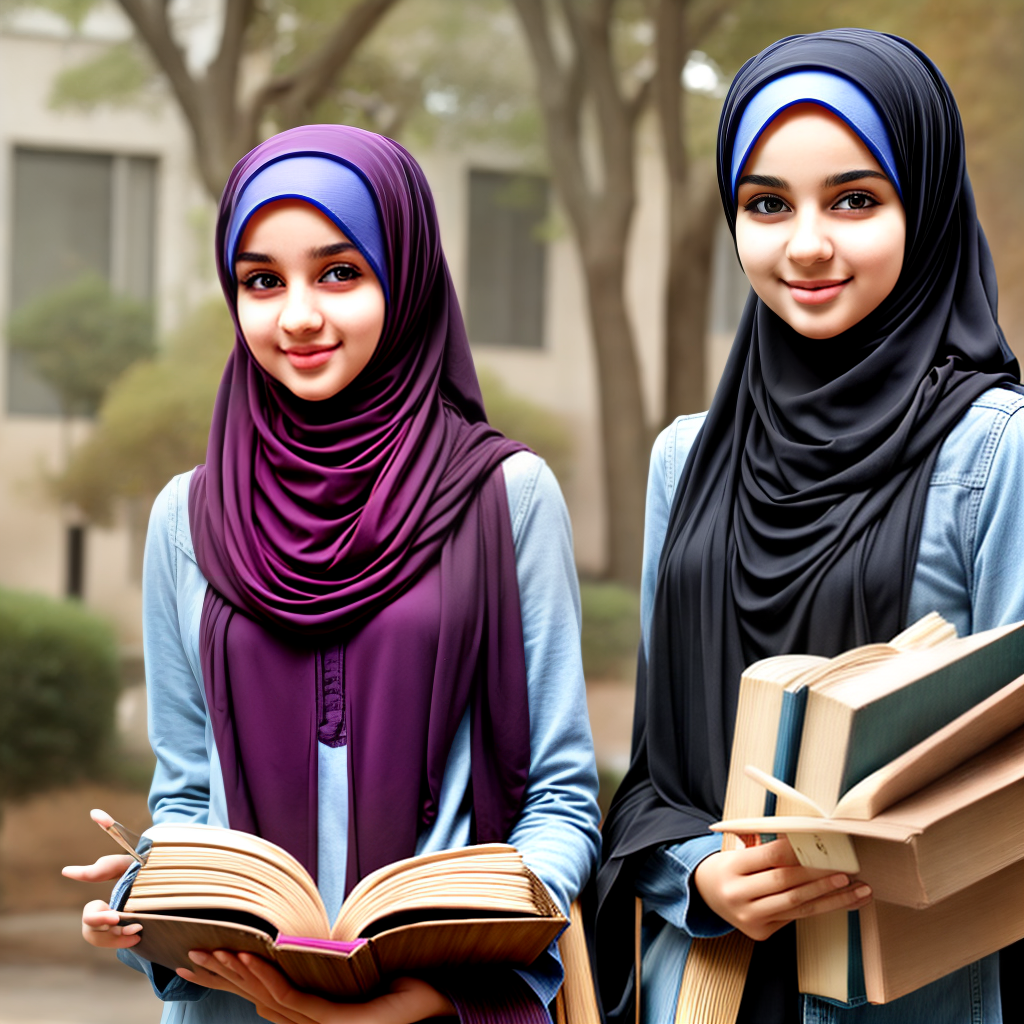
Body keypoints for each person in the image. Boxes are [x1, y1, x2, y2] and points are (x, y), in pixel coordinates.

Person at [63, 124, 602, 1024]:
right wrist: (147, 897)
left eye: (339, 272)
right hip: (237, 1003)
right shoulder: (187, 518)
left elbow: (558, 797)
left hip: (444, 1004)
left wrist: (453, 968)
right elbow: (190, 792)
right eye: (262, 280)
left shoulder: (504, 496)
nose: (298, 315)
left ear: (408, 274)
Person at [596, 27, 1022, 1024]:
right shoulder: (687, 460)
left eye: (854, 200)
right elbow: (655, 772)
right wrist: (700, 874)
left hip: (915, 995)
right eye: (765, 205)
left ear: (926, 205)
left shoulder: (994, 448)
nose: (806, 244)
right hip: (706, 989)